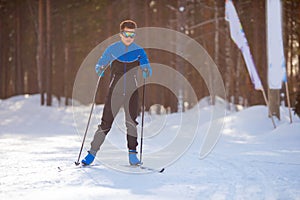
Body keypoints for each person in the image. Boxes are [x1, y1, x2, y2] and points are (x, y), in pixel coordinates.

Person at [81, 20, 152, 166]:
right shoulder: (113, 49)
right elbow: (102, 61)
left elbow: (146, 64)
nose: (129, 37)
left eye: (132, 34)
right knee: (106, 124)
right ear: (121, 34)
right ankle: (91, 153)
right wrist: (100, 67)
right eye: (126, 33)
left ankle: (133, 155)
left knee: (131, 123)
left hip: (132, 92)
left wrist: (146, 69)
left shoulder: (139, 51)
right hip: (115, 92)